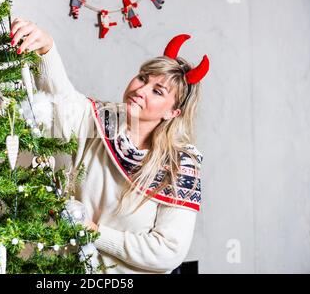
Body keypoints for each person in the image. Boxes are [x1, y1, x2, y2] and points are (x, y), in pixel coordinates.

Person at [10, 18, 209, 274]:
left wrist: (95, 233)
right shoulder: (101, 120)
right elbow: (63, 102)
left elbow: (167, 251)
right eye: (142, 78)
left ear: (173, 112)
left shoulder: (179, 166)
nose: (141, 90)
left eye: (157, 91)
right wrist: (46, 48)